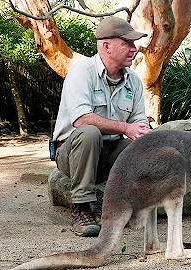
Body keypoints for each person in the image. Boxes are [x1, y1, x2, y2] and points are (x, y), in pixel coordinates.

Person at [52, 16, 151, 237]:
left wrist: (145, 134)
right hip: (73, 153)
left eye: (134, 44)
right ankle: (82, 208)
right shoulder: (81, 71)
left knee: (138, 146)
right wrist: (126, 128)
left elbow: (139, 121)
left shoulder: (133, 81)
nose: (134, 49)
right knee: (89, 133)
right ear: (107, 46)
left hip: (109, 153)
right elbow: (81, 120)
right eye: (128, 43)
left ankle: (117, 207)